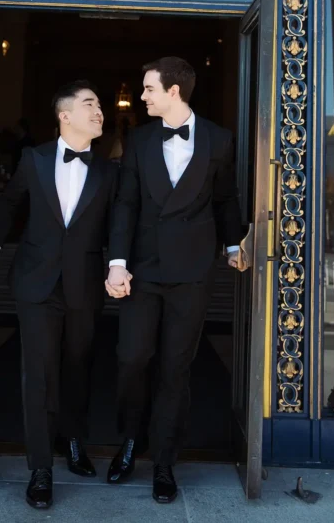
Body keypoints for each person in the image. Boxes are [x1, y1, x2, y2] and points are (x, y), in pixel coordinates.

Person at [105, 57, 244, 504]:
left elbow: (226, 200)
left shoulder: (219, 140)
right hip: (142, 269)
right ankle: (131, 439)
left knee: (175, 368)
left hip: (192, 271)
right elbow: (125, 204)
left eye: (148, 89)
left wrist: (234, 246)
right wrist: (117, 262)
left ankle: (164, 461)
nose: (141, 96)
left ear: (173, 92)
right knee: (131, 358)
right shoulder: (141, 138)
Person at [0, 81, 117, 511]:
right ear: (65, 115)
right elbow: (9, 204)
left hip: (84, 283)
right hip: (36, 284)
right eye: (90, 104)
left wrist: (118, 263)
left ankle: (72, 440)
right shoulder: (33, 158)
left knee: (78, 367)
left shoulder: (110, 171)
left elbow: (119, 224)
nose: (100, 111)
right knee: (38, 373)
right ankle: (40, 469)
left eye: (99, 105)